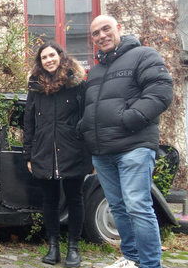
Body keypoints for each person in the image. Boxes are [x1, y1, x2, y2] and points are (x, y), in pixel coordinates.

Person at [79, 15, 173, 268]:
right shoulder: (96, 70)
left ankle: (151, 264)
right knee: (118, 208)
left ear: (119, 29)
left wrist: (129, 119)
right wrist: (85, 129)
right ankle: (132, 258)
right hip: (103, 151)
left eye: (106, 29)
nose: (102, 36)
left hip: (134, 147)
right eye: (96, 33)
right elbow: (90, 107)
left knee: (137, 206)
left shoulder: (144, 55)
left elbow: (161, 91)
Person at [23, 41, 91, 267]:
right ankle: (53, 247)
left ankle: (74, 248)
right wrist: (28, 155)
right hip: (43, 152)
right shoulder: (35, 87)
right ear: (40, 62)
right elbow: (29, 122)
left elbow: (86, 119)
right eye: (44, 57)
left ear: (60, 56)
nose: (49, 60)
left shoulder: (76, 84)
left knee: (75, 199)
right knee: (49, 200)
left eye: (52, 55)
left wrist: (88, 153)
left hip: (73, 150)